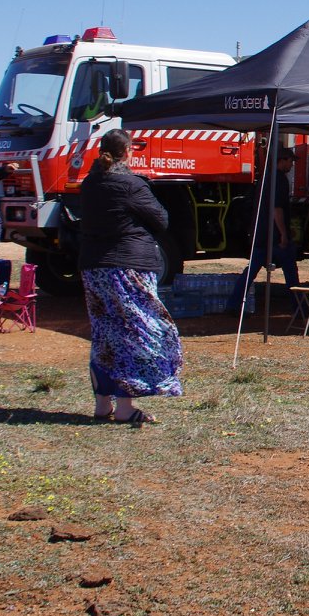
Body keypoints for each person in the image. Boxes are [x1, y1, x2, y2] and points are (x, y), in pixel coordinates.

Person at [79, 128, 182, 426]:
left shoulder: (90, 183)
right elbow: (161, 219)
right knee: (137, 331)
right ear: (129, 152)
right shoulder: (131, 184)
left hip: (94, 268)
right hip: (128, 267)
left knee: (104, 333)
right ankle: (125, 405)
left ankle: (102, 404)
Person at [231, 146, 302, 313]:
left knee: (250, 272)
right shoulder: (280, 180)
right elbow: (277, 208)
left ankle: (233, 305)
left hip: (261, 233)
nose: (291, 165)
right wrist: (284, 233)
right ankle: (299, 308)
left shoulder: (266, 178)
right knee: (291, 273)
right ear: (282, 160)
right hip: (274, 236)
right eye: (290, 161)